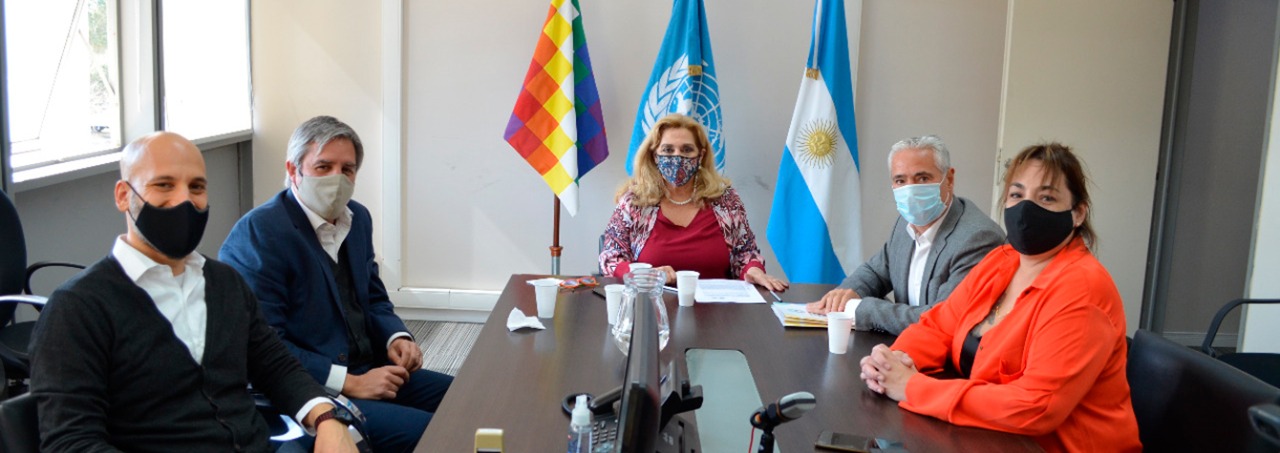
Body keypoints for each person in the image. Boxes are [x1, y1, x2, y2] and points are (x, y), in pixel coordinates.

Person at [28, 132, 358, 452]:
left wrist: (328, 418)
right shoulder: (78, 308)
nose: (184, 200)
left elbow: (276, 367)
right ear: (123, 195)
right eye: (163, 185)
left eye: (196, 187)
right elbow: (70, 441)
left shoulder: (225, 283)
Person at [859, 143, 1140, 452]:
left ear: (1077, 213)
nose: (1027, 209)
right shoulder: (1003, 260)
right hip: (989, 436)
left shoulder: (1084, 290)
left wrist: (912, 387)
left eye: (1046, 197)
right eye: (1017, 195)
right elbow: (939, 325)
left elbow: (1036, 406)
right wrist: (895, 361)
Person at [221, 116, 452, 452]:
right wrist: (351, 382)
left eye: (347, 169)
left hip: (370, 367)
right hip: (310, 389)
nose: (337, 178)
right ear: (293, 169)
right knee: (437, 434)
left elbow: (372, 297)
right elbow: (264, 346)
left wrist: (395, 336)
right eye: (323, 166)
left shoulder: (357, 218)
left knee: (467, 400)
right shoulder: (260, 233)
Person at [807, 135, 1004, 335]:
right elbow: (876, 272)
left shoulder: (978, 238)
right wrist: (845, 295)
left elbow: (941, 319)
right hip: (904, 350)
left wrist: (860, 309)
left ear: (950, 179)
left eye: (923, 178)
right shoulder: (906, 223)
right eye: (900, 180)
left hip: (947, 359)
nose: (910, 190)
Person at [599, 114, 787, 291]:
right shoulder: (635, 202)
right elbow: (610, 258)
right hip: (653, 309)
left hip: (720, 313)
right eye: (668, 149)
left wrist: (753, 269)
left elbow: (745, 253)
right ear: (654, 155)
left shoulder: (725, 200)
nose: (677, 157)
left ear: (700, 156)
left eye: (687, 150)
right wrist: (643, 274)